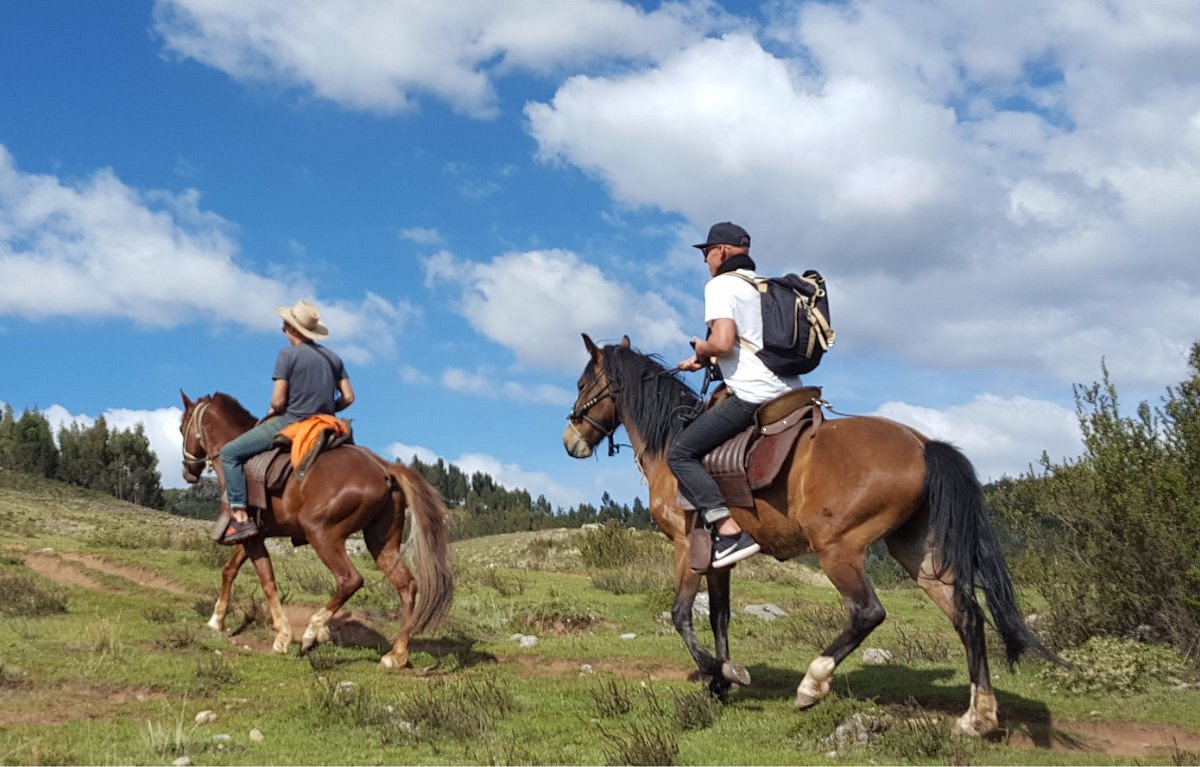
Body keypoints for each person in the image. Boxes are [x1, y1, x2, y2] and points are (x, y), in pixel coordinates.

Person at [670, 222, 805, 568]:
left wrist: (703, 345)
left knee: (681, 453)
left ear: (723, 251)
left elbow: (725, 341)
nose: (705, 261)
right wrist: (703, 360)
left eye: (706, 253)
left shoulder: (721, 285)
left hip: (753, 394)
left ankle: (729, 531)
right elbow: (750, 343)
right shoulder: (765, 286)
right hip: (792, 391)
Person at [217, 299, 355, 544]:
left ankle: (240, 516)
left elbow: (279, 402)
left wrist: (277, 408)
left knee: (229, 453)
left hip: (292, 421)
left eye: (284, 326)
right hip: (327, 424)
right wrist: (326, 407)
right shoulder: (334, 359)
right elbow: (349, 397)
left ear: (292, 330)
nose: (283, 330)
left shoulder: (287, 355)